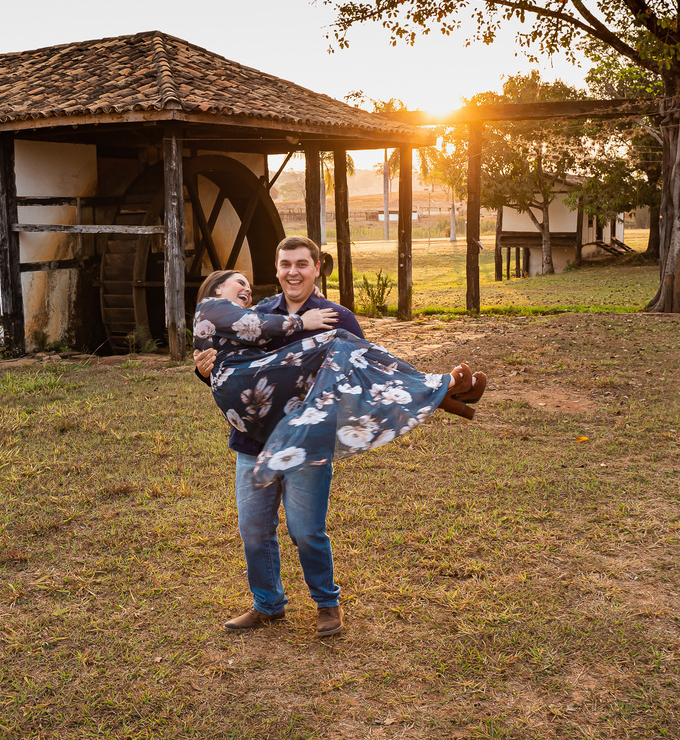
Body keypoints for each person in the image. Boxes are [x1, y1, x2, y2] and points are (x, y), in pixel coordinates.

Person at [193, 236, 484, 638]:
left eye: (301, 264)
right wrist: (204, 369)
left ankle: (327, 604)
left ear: (317, 268)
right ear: (276, 270)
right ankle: (267, 604)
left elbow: (366, 372)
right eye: (285, 265)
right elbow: (232, 364)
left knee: (305, 530)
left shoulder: (337, 317)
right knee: (254, 531)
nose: (292, 272)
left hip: (310, 444)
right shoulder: (257, 311)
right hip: (253, 444)